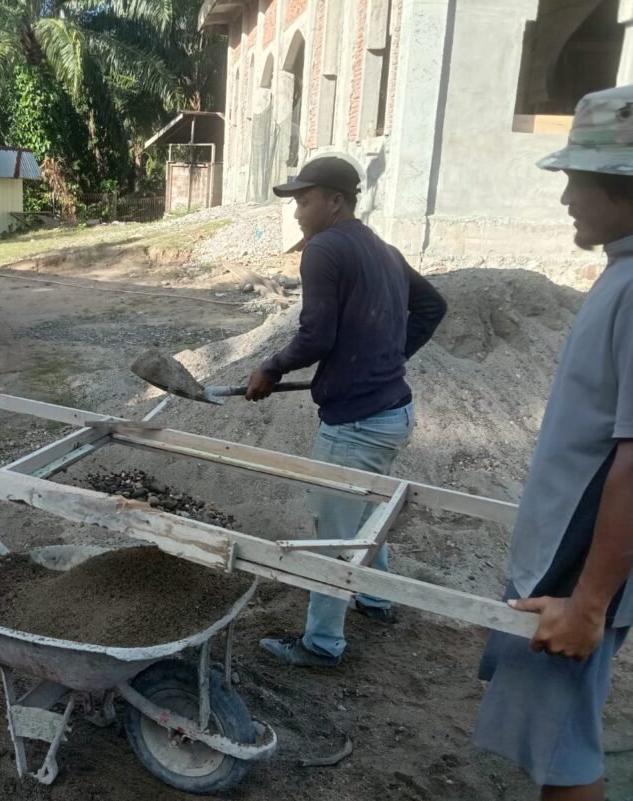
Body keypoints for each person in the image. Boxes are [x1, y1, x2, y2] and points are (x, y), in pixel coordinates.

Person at [473, 86, 633, 801]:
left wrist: (588, 604)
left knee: (563, 749)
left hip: (575, 568)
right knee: (554, 739)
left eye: (577, 177)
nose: (565, 195)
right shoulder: (622, 273)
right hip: (569, 557)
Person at [245, 155, 447, 667]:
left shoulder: (324, 248)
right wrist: (386, 357)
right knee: (365, 511)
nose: (296, 212)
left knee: (332, 534)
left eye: (304, 199)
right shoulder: (381, 248)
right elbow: (432, 306)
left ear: (335, 201)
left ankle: (322, 644)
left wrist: (271, 369)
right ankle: (377, 598)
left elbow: (316, 335)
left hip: (356, 424)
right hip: (394, 412)